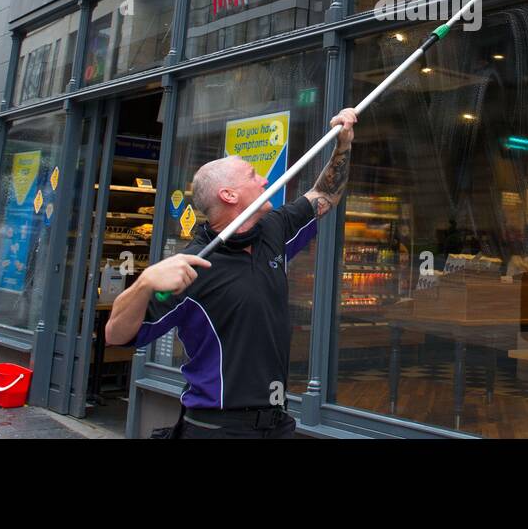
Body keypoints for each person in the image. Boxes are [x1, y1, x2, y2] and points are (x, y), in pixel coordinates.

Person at [105, 108, 357, 438]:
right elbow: (116, 335)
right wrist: (144, 283)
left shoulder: (273, 230)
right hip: (217, 426)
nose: (265, 180)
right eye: (253, 175)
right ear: (229, 195)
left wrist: (344, 143)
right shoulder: (193, 266)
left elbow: (324, 196)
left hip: (277, 420)